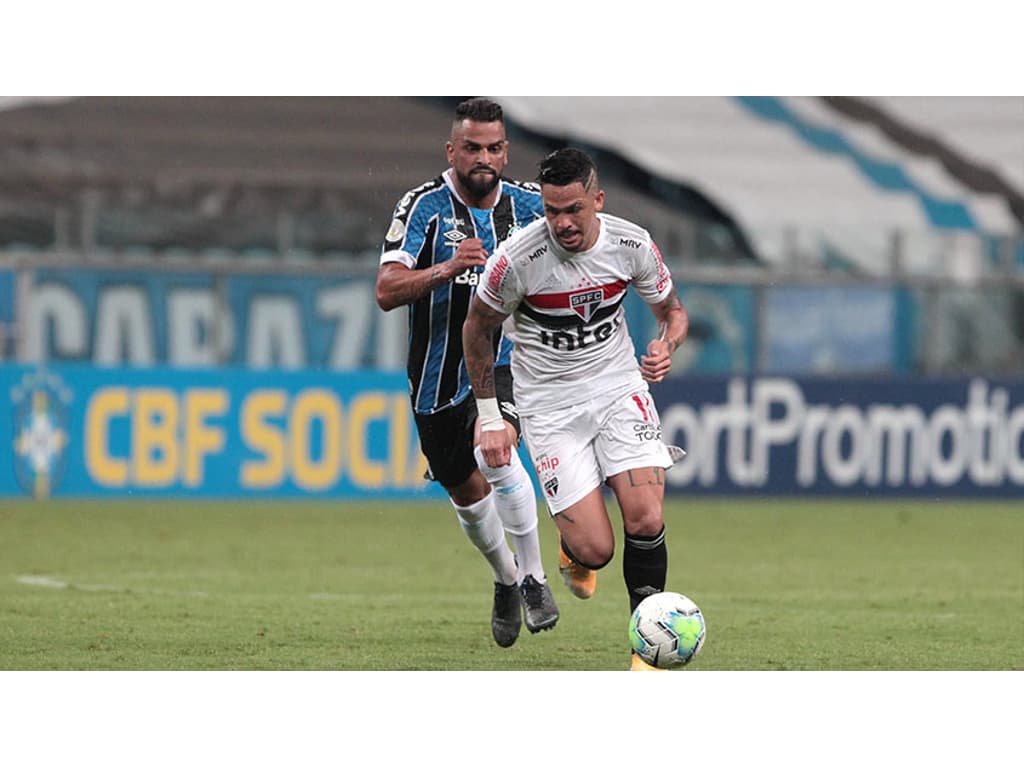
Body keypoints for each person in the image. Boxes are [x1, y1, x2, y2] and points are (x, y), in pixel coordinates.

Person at [462, 147, 689, 670]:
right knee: (596, 551)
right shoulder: (518, 260)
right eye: (551, 210)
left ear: (598, 201)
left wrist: (665, 345)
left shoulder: (631, 244)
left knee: (647, 514)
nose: (562, 223)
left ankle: (646, 653)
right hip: (549, 407)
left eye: (574, 210)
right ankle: (573, 552)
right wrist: (492, 414)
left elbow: (672, 312)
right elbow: (477, 329)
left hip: (617, 388)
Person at [376, 97, 559, 648]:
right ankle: (505, 577)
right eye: (473, 148)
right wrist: (450, 267)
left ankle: (533, 578)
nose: (485, 158)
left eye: (495, 148)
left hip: (508, 362)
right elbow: (387, 290)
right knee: (465, 491)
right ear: (451, 150)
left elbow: (581, 243)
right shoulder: (422, 207)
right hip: (435, 378)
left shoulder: (531, 207)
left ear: (506, 152)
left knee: (495, 447)